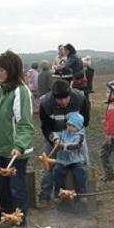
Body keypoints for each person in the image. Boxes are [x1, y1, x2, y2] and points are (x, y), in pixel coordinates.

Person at [0, 50, 34, 226]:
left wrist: (19, 145)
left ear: (10, 70)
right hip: (1, 148)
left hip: (15, 151)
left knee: (16, 186)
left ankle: (20, 220)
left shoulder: (21, 91)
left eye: (1, 70)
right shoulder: (0, 91)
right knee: (1, 184)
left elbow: (25, 123)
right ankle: (6, 216)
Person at [38, 79, 90, 207]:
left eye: (66, 98)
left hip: (75, 133)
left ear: (70, 94)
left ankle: (85, 194)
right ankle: (46, 196)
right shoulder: (45, 104)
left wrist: (75, 135)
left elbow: (85, 119)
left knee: (83, 162)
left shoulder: (80, 98)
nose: (63, 102)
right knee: (49, 165)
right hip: (55, 134)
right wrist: (54, 139)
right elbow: (46, 127)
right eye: (59, 99)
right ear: (54, 97)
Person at [52, 112, 87, 202]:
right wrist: (56, 139)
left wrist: (64, 146)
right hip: (62, 160)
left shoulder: (80, 136)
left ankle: (82, 193)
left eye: (73, 126)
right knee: (57, 172)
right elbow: (54, 134)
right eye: (69, 125)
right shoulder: (63, 133)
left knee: (80, 173)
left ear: (78, 127)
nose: (70, 127)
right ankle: (58, 193)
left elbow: (76, 146)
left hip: (75, 161)